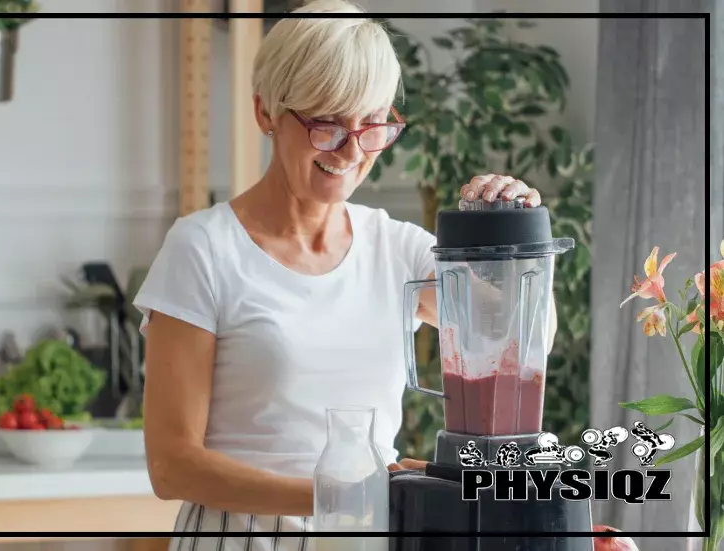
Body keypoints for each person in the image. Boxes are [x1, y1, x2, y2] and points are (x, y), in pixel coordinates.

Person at [132, 0, 551, 547]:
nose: (352, 150)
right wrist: (346, 492)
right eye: (327, 125)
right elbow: (172, 468)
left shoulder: (395, 247)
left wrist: (518, 244)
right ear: (265, 113)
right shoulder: (204, 250)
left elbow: (519, 343)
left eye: (373, 124)